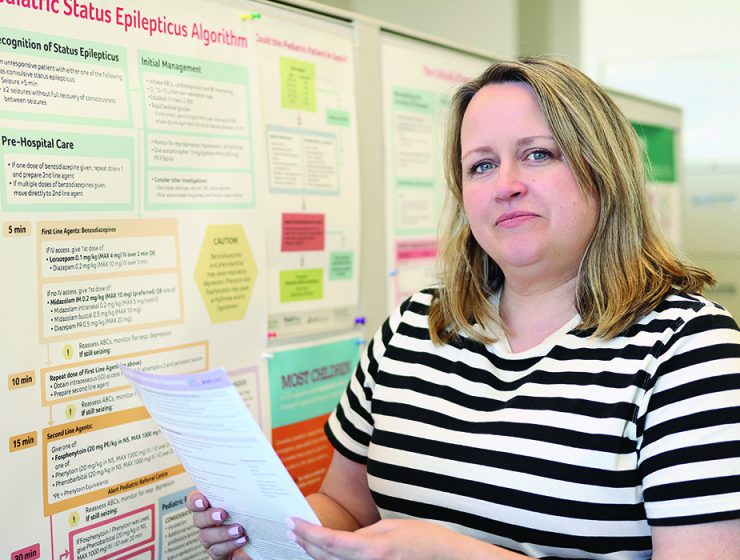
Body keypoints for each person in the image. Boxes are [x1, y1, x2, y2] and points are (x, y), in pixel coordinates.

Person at [187, 57, 740, 559]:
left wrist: (454, 555)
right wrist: (273, 534)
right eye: (480, 165)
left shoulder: (691, 354)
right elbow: (348, 510)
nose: (506, 185)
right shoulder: (415, 327)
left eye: (538, 154)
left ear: (605, 173)